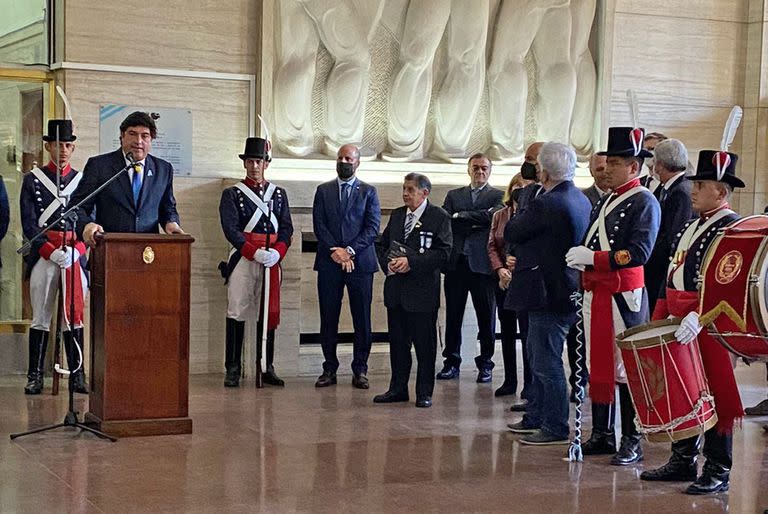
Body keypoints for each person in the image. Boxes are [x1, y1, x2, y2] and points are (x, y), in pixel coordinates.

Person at [640, 149, 745, 495]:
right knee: (682, 391)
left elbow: (731, 284)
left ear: (721, 191)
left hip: (709, 326)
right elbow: (672, 272)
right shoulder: (691, 224)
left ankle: (718, 467)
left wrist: (699, 318)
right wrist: (660, 313)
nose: (693, 190)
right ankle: (683, 458)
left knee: (714, 395)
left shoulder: (732, 229)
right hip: (676, 317)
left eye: (701, 184)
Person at [566, 126, 660, 465]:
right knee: (599, 362)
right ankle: (603, 433)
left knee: (627, 368)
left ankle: (631, 439)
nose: (607, 168)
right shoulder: (607, 200)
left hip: (623, 294)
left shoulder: (644, 201)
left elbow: (638, 252)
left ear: (634, 167)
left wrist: (594, 259)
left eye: (616, 162)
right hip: (597, 290)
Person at [504, 142, 591, 445]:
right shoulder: (579, 198)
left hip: (546, 289)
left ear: (544, 170)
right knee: (540, 354)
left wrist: (525, 204)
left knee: (546, 361)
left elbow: (512, 231)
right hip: (566, 286)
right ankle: (537, 415)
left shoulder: (546, 202)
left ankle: (554, 425)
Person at [19, 119, 88, 395]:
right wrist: (50, 251)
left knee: (75, 318)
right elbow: (29, 224)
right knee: (41, 316)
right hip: (45, 255)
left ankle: (78, 374)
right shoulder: (32, 181)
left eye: (68, 145)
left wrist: (77, 251)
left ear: (73, 148)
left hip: (73, 256)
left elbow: (90, 221)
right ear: (48, 146)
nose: (63, 150)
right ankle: (35, 375)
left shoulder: (83, 181)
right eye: (58, 145)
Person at [219, 137, 293, 388]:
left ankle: (266, 366)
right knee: (236, 310)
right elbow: (231, 230)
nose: (254, 166)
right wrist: (253, 251)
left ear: (266, 164)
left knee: (268, 312)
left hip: (272, 259)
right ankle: (233, 367)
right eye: (250, 161)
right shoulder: (232, 194)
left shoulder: (279, 195)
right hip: (244, 257)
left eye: (258, 161)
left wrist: (278, 253)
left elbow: (286, 229)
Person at [373, 173, 452, 407]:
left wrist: (412, 262)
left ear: (424, 193)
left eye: (410, 189)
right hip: (396, 291)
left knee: (424, 347)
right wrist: (387, 263)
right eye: (404, 189)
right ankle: (397, 388)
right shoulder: (398, 215)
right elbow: (382, 243)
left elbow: (444, 253)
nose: (405, 193)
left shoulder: (439, 217)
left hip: (422, 293)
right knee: (398, 345)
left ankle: (424, 392)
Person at [312, 144, 381, 388]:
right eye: (340, 157)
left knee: (361, 318)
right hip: (330, 263)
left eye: (349, 158)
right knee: (328, 317)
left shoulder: (369, 192)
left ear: (357, 163)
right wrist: (337, 252)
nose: (344, 161)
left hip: (360, 265)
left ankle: (360, 369)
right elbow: (319, 226)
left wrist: (349, 251)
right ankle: (329, 368)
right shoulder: (323, 190)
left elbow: (372, 228)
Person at [71, 111, 184, 245]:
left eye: (145, 136)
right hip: (109, 249)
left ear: (151, 140)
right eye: (132, 134)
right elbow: (77, 207)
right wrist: (86, 225)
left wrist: (171, 223)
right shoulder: (99, 166)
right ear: (122, 137)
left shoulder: (163, 169)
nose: (138, 141)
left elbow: (168, 207)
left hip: (148, 252)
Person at [438, 154, 504, 382]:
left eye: (484, 168)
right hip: (457, 264)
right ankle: (452, 361)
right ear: (468, 170)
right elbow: (446, 220)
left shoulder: (497, 196)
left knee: (486, 316)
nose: (480, 171)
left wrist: (462, 216)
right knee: (453, 316)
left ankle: (486, 363)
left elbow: (492, 217)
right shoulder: (454, 195)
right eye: (475, 167)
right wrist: (475, 219)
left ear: (490, 170)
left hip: (484, 266)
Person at [488, 173, 531, 397]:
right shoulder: (500, 215)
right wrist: (500, 269)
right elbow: (492, 246)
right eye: (517, 186)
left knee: (526, 333)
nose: (520, 190)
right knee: (505, 331)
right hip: (503, 279)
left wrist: (519, 264)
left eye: (525, 186)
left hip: (523, 279)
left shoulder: (532, 214)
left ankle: (529, 383)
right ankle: (509, 380)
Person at [644, 139, 694, 313]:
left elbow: (674, 238)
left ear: (660, 165)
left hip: (663, 271)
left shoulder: (681, 191)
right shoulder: (669, 188)